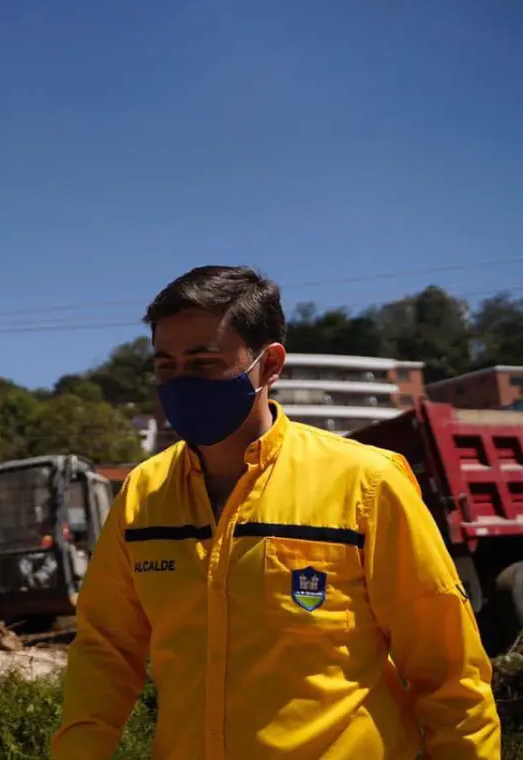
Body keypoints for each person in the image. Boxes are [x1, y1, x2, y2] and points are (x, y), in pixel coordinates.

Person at [52, 265, 500, 759]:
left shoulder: (366, 483)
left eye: (202, 363)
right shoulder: (142, 495)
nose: (180, 383)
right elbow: (104, 653)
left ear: (269, 365)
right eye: (165, 366)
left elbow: (449, 672)